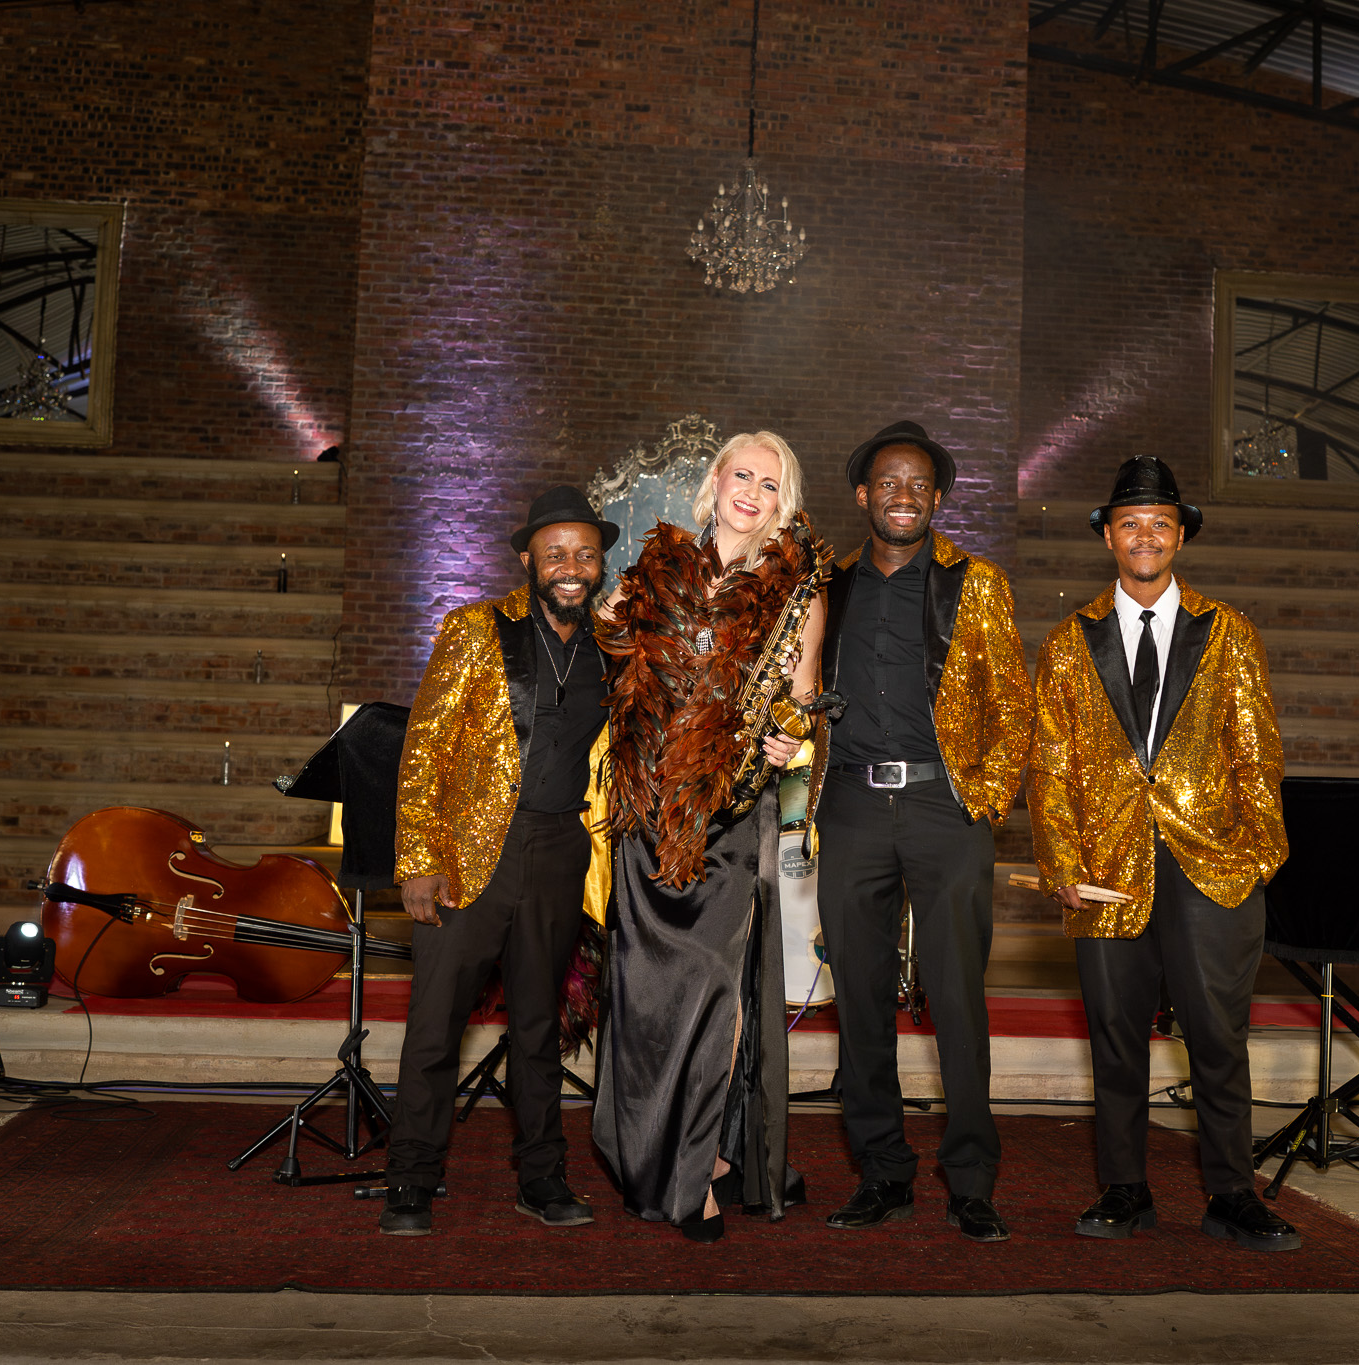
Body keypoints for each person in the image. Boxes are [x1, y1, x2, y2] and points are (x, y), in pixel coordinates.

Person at [1028, 455, 1298, 1251]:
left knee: (1217, 1039)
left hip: (1210, 866)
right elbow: (1049, 762)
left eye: (1160, 524)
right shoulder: (1072, 640)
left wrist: (1258, 858)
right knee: (1114, 1039)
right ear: (1109, 537)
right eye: (1130, 523)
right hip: (1106, 871)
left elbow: (1259, 753)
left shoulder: (1228, 632)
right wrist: (1062, 864)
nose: (1145, 536)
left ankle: (1231, 1193)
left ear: (1178, 537)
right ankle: (1124, 1188)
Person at [591, 430, 829, 1243]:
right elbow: (608, 650)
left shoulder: (798, 595)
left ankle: (695, 1173)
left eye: (771, 483)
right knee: (642, 995)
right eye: (743, 474)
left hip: (728, 822)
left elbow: (802, 703)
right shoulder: (656, 569)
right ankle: (653, 1155)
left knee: (709, 995)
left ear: (781, 504)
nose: (753, 492)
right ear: (715, 481)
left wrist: (791, 740)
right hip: (646, 817)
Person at [808, 421, 1033, 1243]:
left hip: (946, 808)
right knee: (860, 999)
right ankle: (883, 1173)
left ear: (936, 499)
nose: (903, 496)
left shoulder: (974, 584)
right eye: (887, 483)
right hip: (854, 806)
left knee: (958, 1000)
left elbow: (1014, 704)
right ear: (863, 494)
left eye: (919, 485)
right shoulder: (825, 587)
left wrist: (986, 802)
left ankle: (971, 1178)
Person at [380, 485, 620, 1236]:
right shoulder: (476, 629)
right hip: (470, 850)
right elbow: (424, 750)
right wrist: (420, 856)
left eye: (586, 554)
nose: (572, 567)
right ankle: (412, 1178)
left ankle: (542, 1177)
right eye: (557, 554)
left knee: (539, 1027)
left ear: (600, 561)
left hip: (558, 850)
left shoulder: (613, 651)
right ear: (529, 559)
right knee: (434, 1025)